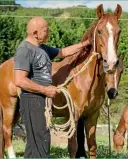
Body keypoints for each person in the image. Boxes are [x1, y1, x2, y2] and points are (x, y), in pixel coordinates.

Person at [14, 16, 90, 158]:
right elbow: (20, 80)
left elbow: (64, 52)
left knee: (33, 145)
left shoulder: (43, 48)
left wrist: (85, 44)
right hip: (32, 100)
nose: (49, 32)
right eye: (46, 30)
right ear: (35, 33)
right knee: (42, 141)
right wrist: (45, 89)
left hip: (42, 100)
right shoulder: (24, 50)